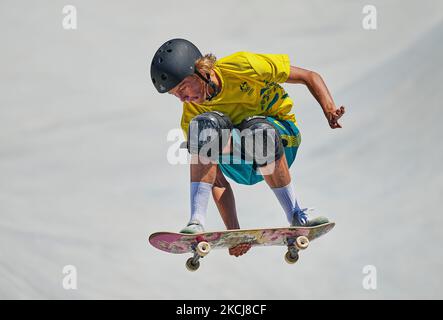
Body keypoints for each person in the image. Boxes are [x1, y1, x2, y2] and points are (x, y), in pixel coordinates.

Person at [150, 39, 345, 257]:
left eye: (183, 88)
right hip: (242, 165)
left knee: (257, 130)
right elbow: (217, 180)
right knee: (204, 127)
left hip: (282, 141)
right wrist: (233, 231)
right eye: (175, 94)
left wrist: (329, 109)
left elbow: (309, 76)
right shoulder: (191, 116)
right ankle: (196, 221)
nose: (183, 99)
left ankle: (296, 214)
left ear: (201, 71)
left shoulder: (243, 65)